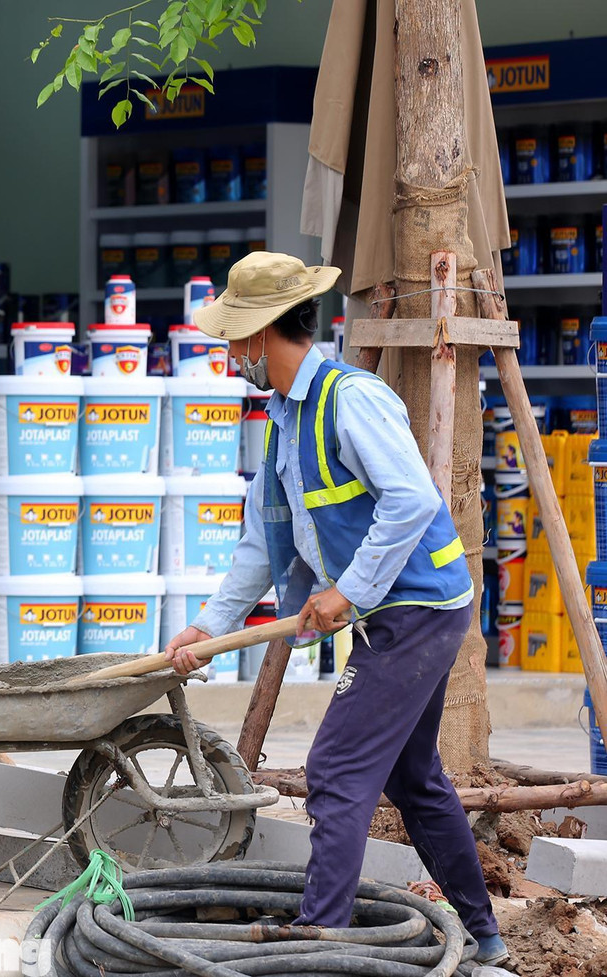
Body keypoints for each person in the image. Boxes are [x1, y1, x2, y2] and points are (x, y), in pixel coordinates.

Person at [162, 251, 508, 967]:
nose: (228, 354)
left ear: (261, 334)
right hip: (400, 611)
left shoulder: (351, 399)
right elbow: (262, 542)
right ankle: (486, 935)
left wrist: (347, 590)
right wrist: (207, 627)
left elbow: (412, 501)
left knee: (337, 769)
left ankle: (318, 943)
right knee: (412, 778)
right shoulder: (283, 420)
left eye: (233, 339)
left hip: (418, 608)